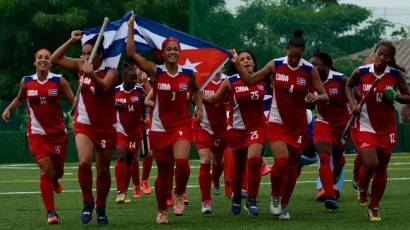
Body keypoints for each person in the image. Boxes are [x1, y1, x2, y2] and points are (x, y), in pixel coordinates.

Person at [232, 30, 329, 220]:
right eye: (291, 56)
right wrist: (237, 63)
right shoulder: (275, 65)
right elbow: (250, 80)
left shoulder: (310, 70)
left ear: (303, 54)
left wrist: (316, 96)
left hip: (298, 125)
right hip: (276, 121)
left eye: (298, 57)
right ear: (287, 50)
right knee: (282, 161)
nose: (294, 60)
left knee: (292, 168)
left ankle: (284, 204)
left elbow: (324, 96)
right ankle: (275, 197)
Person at [126, 13, 202, 224]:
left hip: (182, 126)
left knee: (182, 162)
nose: (172, 52)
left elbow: (197, 90)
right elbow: (131, 53)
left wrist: (199, 108)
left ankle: (179, 194)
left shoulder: (188, 74)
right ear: (163, 52)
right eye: (169, 49)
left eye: (176, 49)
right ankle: (161, 211)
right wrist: (131, 26)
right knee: (163, 172)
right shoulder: (156, 71)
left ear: (180, 52)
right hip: (159, 128)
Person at [51, 31, 118, 224]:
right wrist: (71, 40)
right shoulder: (81, 65)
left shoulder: (111, 71)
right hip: (84, 122)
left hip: (105, 126)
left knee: (103, 170)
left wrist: (92, 75)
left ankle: (101, 207)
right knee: (84, 162)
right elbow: (56, 58)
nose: (85, 57)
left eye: (89, 54)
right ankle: (87, 203)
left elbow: (103, 88)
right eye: (84, 53)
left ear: (99, 55)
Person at [1, 49, 74, 224]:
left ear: (51, 62)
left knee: (58, 171)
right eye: (39, 57)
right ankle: (51, 212)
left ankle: (56, 180)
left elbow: (74, 101)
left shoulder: (59, 81)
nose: (43, 60)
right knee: (46, 169)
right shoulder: (27, 81)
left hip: (58, 135)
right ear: (34, 62)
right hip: (36, 134)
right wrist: (8, 109)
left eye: (47, 57)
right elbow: (19, 99)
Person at [346, 40, 410, 221]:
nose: (382, 57)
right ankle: (362, 185)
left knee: (382, 168)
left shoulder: (395, 75)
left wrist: (396, 96)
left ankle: (374, 207)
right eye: (379, 53)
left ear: (391, 59)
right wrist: (352, 105)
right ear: (375, 53)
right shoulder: (361, 72)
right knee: (371, 163)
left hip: (387, 127)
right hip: (365, 125)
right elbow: (348, 86)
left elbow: (408, 96)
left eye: (386, 56)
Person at [204, 50, 266, 216]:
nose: (246, 61)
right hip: (236, 129)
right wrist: (195, 94)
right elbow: (213, 99)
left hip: (257, 127)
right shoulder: (230, 81)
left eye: (249, 59)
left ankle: (252, 200)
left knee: (253, 161)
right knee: (239, 166)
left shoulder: (263, 78)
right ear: (236, 63)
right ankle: (237, 195)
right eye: (242, 59)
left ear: (254, 63)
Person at [309, 52, 349, 209]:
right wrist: (309, 100)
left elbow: (357, 95)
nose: (312, 67)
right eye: (311, 64)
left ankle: (334, 175)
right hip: (323, 122)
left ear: (326, 65)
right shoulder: (311, 82)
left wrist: (354, 106)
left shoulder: (341, 79)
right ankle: (330, 197)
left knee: (338, 157)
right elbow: (310, 105)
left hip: (342, 125)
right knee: (324, 157)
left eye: (316, 64)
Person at [193, 70, 227, 214]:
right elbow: (192, 96)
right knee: (205, 160)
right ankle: (206, 201)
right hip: (202, 126)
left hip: (222, 129)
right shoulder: (201, 80)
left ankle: (216, 179)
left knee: (219, 162)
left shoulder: (227, 81)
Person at [113, 62, 147, 203]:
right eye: (131, 78)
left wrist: (146, 118)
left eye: (135, 78)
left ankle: (125, 191)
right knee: (121, 155)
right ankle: (120, 192)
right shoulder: (114, 91)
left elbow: (150, 103)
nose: (134, 81)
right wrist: (113, 106)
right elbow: (105, 107)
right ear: (124, 78)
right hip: (120, 130)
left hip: (136, 132)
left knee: (129, 162)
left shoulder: (140, 91)